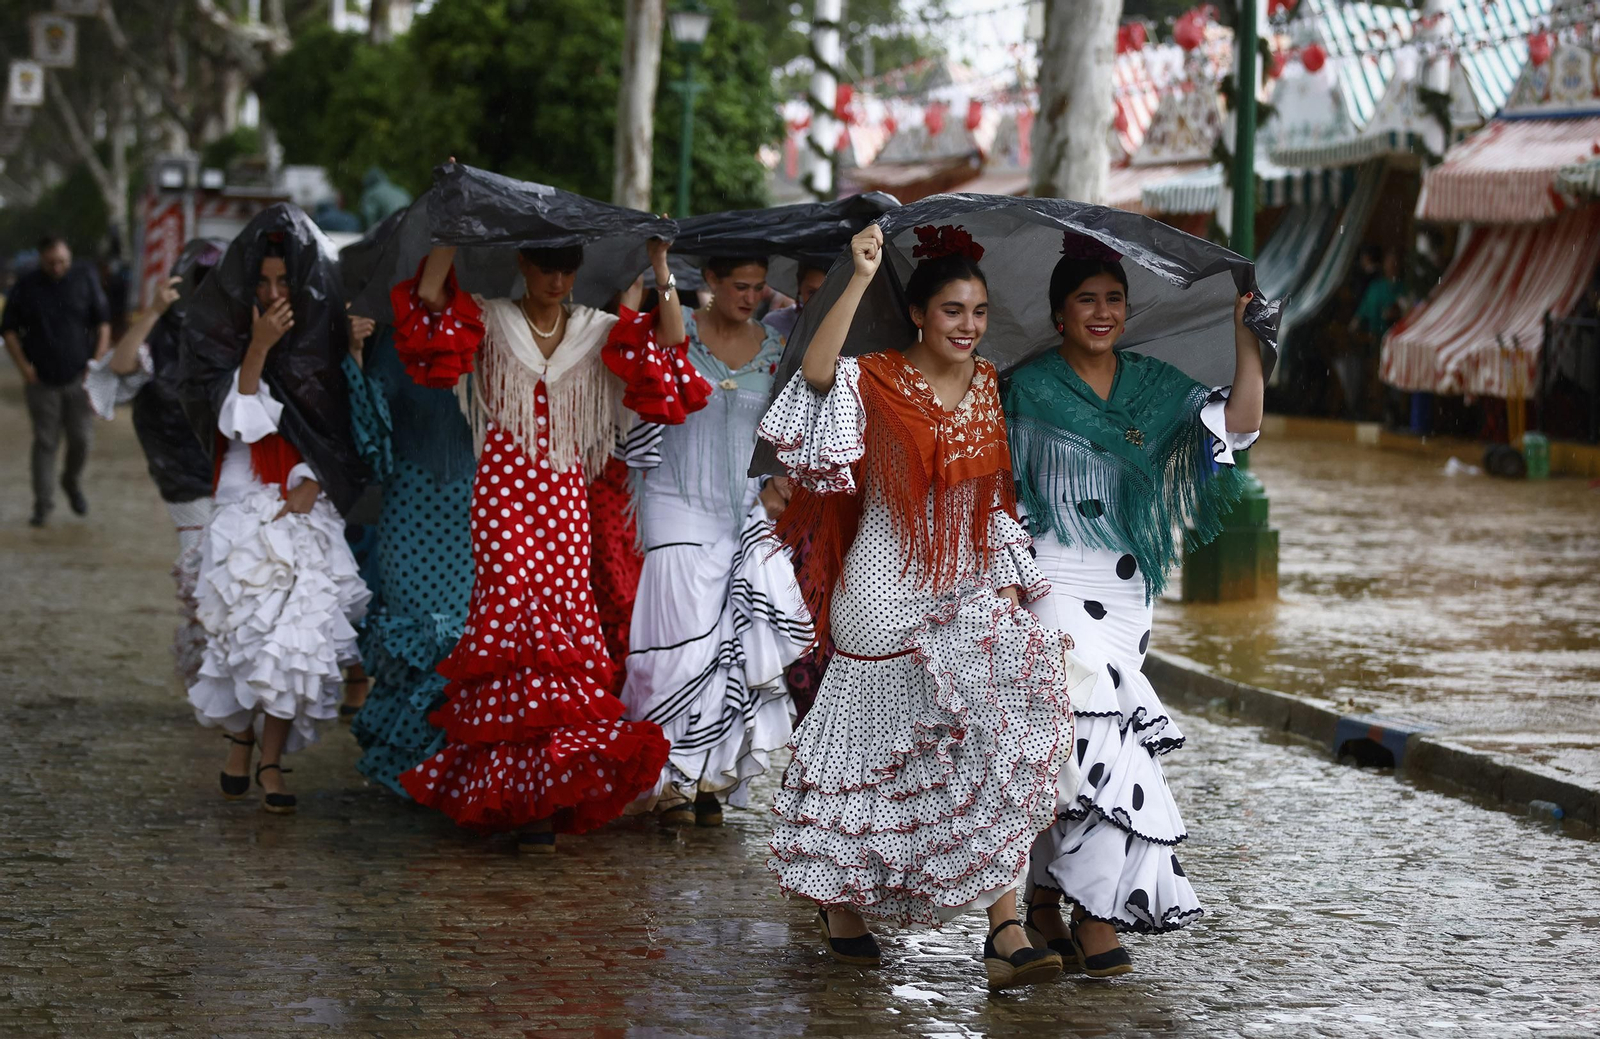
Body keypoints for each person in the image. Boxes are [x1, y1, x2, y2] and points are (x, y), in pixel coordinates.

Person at [758, 223, 1091, 991]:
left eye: (978, 311)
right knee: (870, 756)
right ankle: (841, 900)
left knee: (993, 739)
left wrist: (1006, 594)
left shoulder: (986, 382)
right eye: (952, 310)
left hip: (963, 584)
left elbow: (991, 497)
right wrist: (857, 276)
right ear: (918, 313)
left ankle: (1004, 926)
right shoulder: (873, 375)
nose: (968, 325)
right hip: (880, 588)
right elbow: (815, 372)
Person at [391, 235, 708, 852]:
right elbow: (429, 298)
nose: (556, 280)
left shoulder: (595, 327)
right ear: (524, 265)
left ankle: (545, 788)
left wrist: (660, 265)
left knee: (560, 631)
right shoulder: (491, 317)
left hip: (564, 496)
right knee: (512, 617)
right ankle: (512, 791)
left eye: (566, 270)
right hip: (501, 494)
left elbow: (670, 339)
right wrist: (450, 231)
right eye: (545, 268)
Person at [1004, 234, 1263, 977]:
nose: (1102, 311)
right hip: (1050, 581)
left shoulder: (1156, 384)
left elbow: (1239, 424)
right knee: (1087, 742)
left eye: (1114, 299)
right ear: (1058, 313)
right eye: (1086, 299)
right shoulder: (1026, 387)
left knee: (1078, 749)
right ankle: (1094, 915)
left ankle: (1045, 899)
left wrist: (1247, 339)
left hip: (1127, 591)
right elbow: (998, 492)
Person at [181, 206, 372, 815]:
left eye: (283, 281)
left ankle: (270, 760)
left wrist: (315, 479)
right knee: (243, 626)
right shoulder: (225, 334)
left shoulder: (327, 334)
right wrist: (259, 347)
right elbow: (238, 421)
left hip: (308, 498)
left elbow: (344, 426)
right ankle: (241, 741)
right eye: (261, 282)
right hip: (245, 495)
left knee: (297, 633)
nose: (271, 293)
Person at [618, 255, 812, 828]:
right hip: (673, 503)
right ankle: (667, 777)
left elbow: (787, 428)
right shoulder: (676, 335)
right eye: (739, 286)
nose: (750, 297)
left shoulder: (776, 351)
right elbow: (660, 348)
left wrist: (777, 486)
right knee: (677, 646)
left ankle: (707, 777)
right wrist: (659, 268)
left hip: (743, 509)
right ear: (711, 282)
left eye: (758, 288)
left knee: (732, 643)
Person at [342, 314, 475, 798]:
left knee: (460, 637)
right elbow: (368, 431)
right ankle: (409, 769)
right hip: (409, 509)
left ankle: (449, 767)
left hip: (472, 511)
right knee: (414, 632)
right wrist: (355, 354)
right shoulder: (396, 345)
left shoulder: (485, 338)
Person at [85, 239, 225, 686]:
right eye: (199, 282)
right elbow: (121, 366)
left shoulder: (234, 333)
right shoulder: (161, 336)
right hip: (183, 477)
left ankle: (221, 675)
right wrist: (153, 312)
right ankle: (204, 676)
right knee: (200, 574)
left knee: (234, 578)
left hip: (235, 475)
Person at [2, 235, 112, 527]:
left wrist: (96, 363)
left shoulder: (84, 280)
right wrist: (23, 368)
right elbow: (8, 330)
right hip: (40, 380)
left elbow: (103, 323)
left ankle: (71, 482)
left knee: (82, 439)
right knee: (45, 442)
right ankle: (43, 505)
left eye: (62, 261)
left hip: (79, 377)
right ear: (41, 259)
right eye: (51, 262)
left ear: (69, 257)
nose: (57, 267)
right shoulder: (26, 286)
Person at [761, 262, 828, 341]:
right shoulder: (774, 324)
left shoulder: (840, 329)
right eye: (811, 292)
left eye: (827, 293)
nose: (818, 300)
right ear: (799, 286)